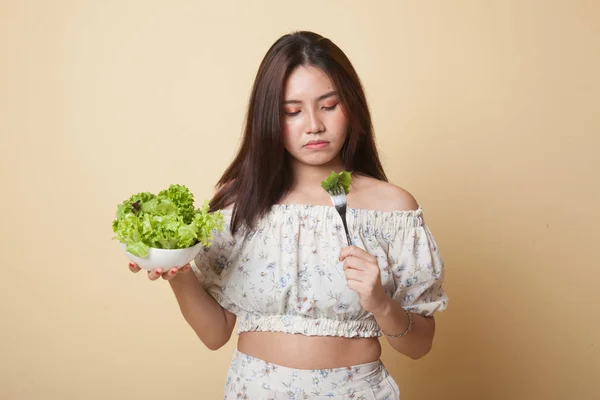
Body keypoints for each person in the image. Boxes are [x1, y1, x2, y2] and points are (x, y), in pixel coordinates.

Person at [128, 30, 448, 399]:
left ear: (353, 107)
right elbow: (215, 335)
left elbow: (419, 345)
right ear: (268, 118)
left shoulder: (393, 209)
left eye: (328, 105)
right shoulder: (238, 203)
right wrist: (177, 271)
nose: (314, 124)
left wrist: (380, 303)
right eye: (292, 112)